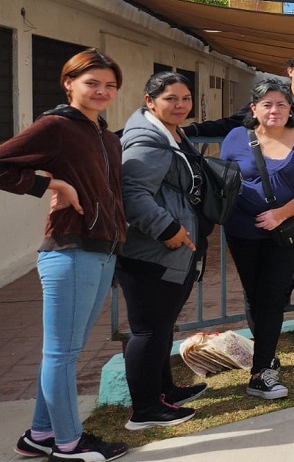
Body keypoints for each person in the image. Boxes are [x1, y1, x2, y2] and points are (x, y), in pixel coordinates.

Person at [1, 48, 129, 461]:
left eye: (110, 85)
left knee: (65, 353)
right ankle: (70, 443)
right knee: (61, 354)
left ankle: (40, 434)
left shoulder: (107, 136)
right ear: (69, 83)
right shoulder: (56, 126)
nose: (102, 91)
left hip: (102, 251)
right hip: (70, 250)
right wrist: (51, 185)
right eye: (92, 83)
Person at [184, 52, 294, 349]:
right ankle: (276, 295)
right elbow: (230, 131)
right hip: (263, 205)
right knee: (271, 272)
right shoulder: (266, 103)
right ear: (290, 71)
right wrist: (190, 131)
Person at [117, 72, 213, 430]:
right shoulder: (146, 139)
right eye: (170, 98)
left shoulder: (171, 132)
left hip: (168, 251)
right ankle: (145, 410)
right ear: (150, 101)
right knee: (148, 330)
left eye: (185, 98)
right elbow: (132, 193)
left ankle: (164, 391)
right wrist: (167, 228)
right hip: (150, 252)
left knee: (161, 327)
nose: (180, 105)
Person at [220, 79, 294, 399]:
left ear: (290, 108)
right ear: (254, 109)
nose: (274, 110)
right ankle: (266, 354)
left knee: (272, 295)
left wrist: (280, 214)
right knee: (254, 295)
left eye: (281, 104)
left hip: (284, 232)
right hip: (241, 231)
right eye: (267, 104)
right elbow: (224, 180)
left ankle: (261, 371)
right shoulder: (236, 137)